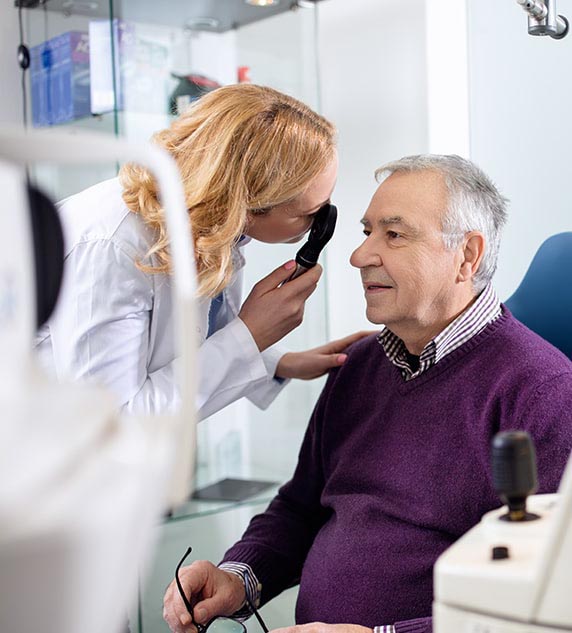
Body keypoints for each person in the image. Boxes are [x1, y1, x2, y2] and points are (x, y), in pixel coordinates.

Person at [163, 154, 572, 633]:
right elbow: (299, 509)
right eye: (365, 233)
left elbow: (547, 597)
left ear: (467, 256)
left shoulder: (542, 392)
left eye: (394, 235)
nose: (359, 257)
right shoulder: (357, 367)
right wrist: (239, 578)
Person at [34, 84, 368, 418]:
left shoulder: (211, 225)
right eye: (310, 214)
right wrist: (250, 336)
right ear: (248, 205)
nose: (320, 224)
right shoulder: (113, 247)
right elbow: (111, 423)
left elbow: (203, 328)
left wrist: (280, 361)